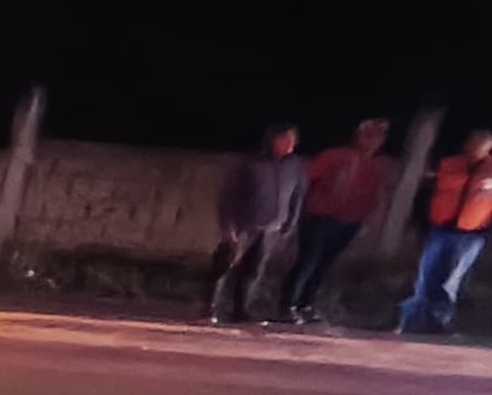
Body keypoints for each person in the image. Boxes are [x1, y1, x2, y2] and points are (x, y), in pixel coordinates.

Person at [280, 117, 391, 322]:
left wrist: (368, 219)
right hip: (319, 218)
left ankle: (305, 304)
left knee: (323, 264)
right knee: (307, 262)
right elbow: (305, 181)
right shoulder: (334, 156)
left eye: (378, 136)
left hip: (350, 222)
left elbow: (376, 194)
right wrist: (300, 210)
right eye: (368, 135)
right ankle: (287, 305)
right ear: (358, 136)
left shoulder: (380, 165)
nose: (372, 141)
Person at [207, 122, 304, 324]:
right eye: (285, 140)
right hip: (244, 226)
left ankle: (241, 309)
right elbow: (228, 197)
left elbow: (298, 194)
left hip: (271, 228)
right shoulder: (250, 164)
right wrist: (228, 227)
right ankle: (210, 308)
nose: (290, 145)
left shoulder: (294, 166)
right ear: (273, 140)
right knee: (225, 265)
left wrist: (291, 220)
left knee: (254, 270)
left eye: (292, 141)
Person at [398, 130, 492, 333]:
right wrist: (419, 223)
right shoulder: (449, 164)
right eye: (473, 143)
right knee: (426, 276)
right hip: (440, 229)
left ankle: (439, 324)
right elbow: (426, 193)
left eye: (482, 145)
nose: (475, 148)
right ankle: (412, 323)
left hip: (471, 234)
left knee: (452, 280)